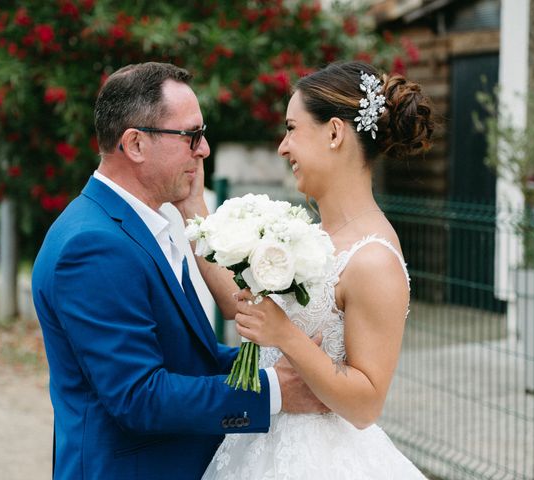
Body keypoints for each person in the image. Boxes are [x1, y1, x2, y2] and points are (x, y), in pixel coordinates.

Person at [31, 62, 326, 480]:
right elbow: (139, 397)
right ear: (135, 144)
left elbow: (186, 358)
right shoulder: (93, 246)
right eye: (191, 136)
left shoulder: (146, 224)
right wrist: (275, 390)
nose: (203, 150)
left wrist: (280, 359)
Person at [181, 61, 434, 478]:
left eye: (292, 128)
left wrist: (284, 335)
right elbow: (241, 305)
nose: (282, 147)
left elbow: (366, 404)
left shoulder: (374, 259)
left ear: (335, 132)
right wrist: (192, 207)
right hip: (259, 445)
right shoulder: (312, 236)